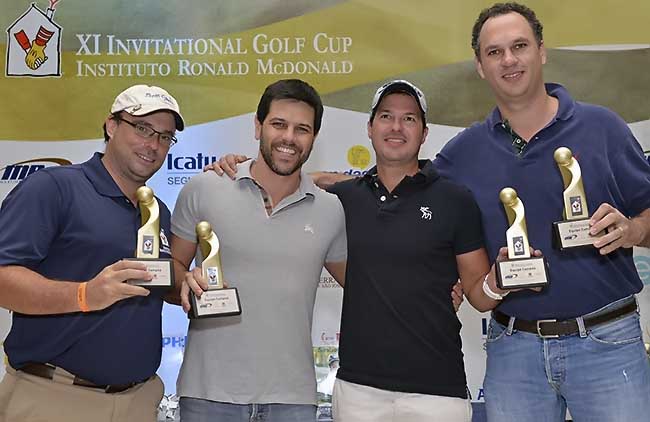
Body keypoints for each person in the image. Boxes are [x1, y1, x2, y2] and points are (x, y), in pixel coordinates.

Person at [209, 80, 509, 422]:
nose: (396, 127)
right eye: (386, 116)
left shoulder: (455, 200)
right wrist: (239, 165)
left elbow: (479, 296)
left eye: (409, 119)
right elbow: (287, 178)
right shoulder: (344, 198)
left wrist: (499, 281)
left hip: (437, 392)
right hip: (357, 394)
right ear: (369, 127)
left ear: (424, 133)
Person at [433, 3, 650, 421]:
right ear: (480, 66)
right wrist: (341, 184)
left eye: (519, 46)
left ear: (542, 51)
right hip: (514, 349)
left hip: (607, 341)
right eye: (494, 52)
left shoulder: (602, 127)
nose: (509, 60)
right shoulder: (464, 152)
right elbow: (411, 195)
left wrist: (633, 229)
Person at [0, 84, 185, 422]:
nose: (154, 145)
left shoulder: (155, 210)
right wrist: (84, 294)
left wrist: (188, 286)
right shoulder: (54, 188)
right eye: (143, 128)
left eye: (165, 137)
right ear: (111, 126)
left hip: (138, 400)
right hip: (55, 399)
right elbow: (3, 279)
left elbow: (156, 284)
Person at [170, 79, 347, 422]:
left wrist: (435, 288)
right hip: (208, 395)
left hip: (292, 399)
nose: (289, 138)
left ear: (314, 138)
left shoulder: (330, 210)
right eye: (278, 124)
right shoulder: (205, 188)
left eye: (302, 129)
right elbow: (172, 269)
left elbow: (366, 287)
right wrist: (185, 278)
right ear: (257, 125)